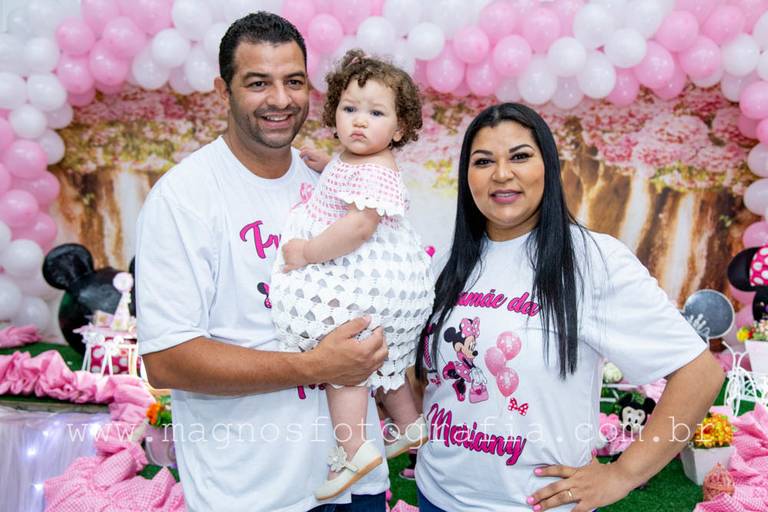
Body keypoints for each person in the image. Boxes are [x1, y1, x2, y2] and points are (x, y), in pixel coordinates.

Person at [413, 103, 725, 512]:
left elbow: (700, 374)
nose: (501, 174)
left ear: (548, 166)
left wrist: (623, 474)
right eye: (483, 161)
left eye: (520, 156)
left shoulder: (593, 261)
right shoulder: (446, 263)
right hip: (437, 496)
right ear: (466, 175)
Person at [135, 12, 390, 512]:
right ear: (222, 91)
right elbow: (167, 358)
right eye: (258, 83)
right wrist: (315, 367)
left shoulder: (329, 185)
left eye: (293, 81)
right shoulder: (184, 198)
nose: (280, 99)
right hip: (251, 493)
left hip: (355, 480)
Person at [270, 50, 434, 501]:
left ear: (399, 128)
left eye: (376, 113)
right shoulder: (359, 161)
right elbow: (349, 181)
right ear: (334, 113)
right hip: (394, 284)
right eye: (349, 109)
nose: (360, 121)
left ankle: (353, 449)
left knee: (343, 359)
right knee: (387, 359)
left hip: (372, 279)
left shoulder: (377, 170)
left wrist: (307, 252)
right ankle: (410, 424)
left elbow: (358, 227)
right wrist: (329, 166)